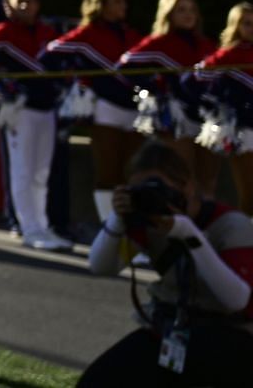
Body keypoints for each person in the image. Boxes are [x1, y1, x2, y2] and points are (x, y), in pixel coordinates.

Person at [78, 140, 253, 385]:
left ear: (189, 187)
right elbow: (101, 266)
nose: (153, 197)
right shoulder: (148, 221)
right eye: (142, 190)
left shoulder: (232, 226)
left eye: (160, 188)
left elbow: (237, 299)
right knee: (97, 380)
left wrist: (186, 232)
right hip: (168, 328)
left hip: (228, 334)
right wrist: (117, 219)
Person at [0, 0, 72, 251]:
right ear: (8, 6)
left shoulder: (48, 33)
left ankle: (42, 224)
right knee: (23, 170)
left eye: (30, 0)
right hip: (20, 110)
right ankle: (30, 228)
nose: (26, 6)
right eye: (20, 1)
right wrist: (0, 86)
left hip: (47, 109)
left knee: (41, 172)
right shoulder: (1, 34)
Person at [45, 0, 141, 227]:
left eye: (123, 0)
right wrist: (79, 80)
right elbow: (50, 55)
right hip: (104, 109)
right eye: (116, 1)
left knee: (131, 171)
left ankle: (133, 231)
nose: (123, 6)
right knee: (108, 173)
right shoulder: (86, 34)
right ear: (101, 6)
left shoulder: (130, 34)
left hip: (134, 109)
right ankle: (111, 231)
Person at [123, 0, 220, 201]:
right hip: (176, 118)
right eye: (181, 10)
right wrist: (153, 90)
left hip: (206, 117)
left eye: (192, 10)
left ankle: (204, 227)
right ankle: (181, 226)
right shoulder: (158, 43)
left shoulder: (205, 45)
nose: (188, 15)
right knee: (181, 175)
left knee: (208, 178)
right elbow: (124, 66)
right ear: (168, 13)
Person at [192, 2, 253, 209]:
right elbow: (199, 75)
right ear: (235, 26)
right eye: (247, 23)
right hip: (244, 130)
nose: (252, 27)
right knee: (249, 193)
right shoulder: (231, 54)